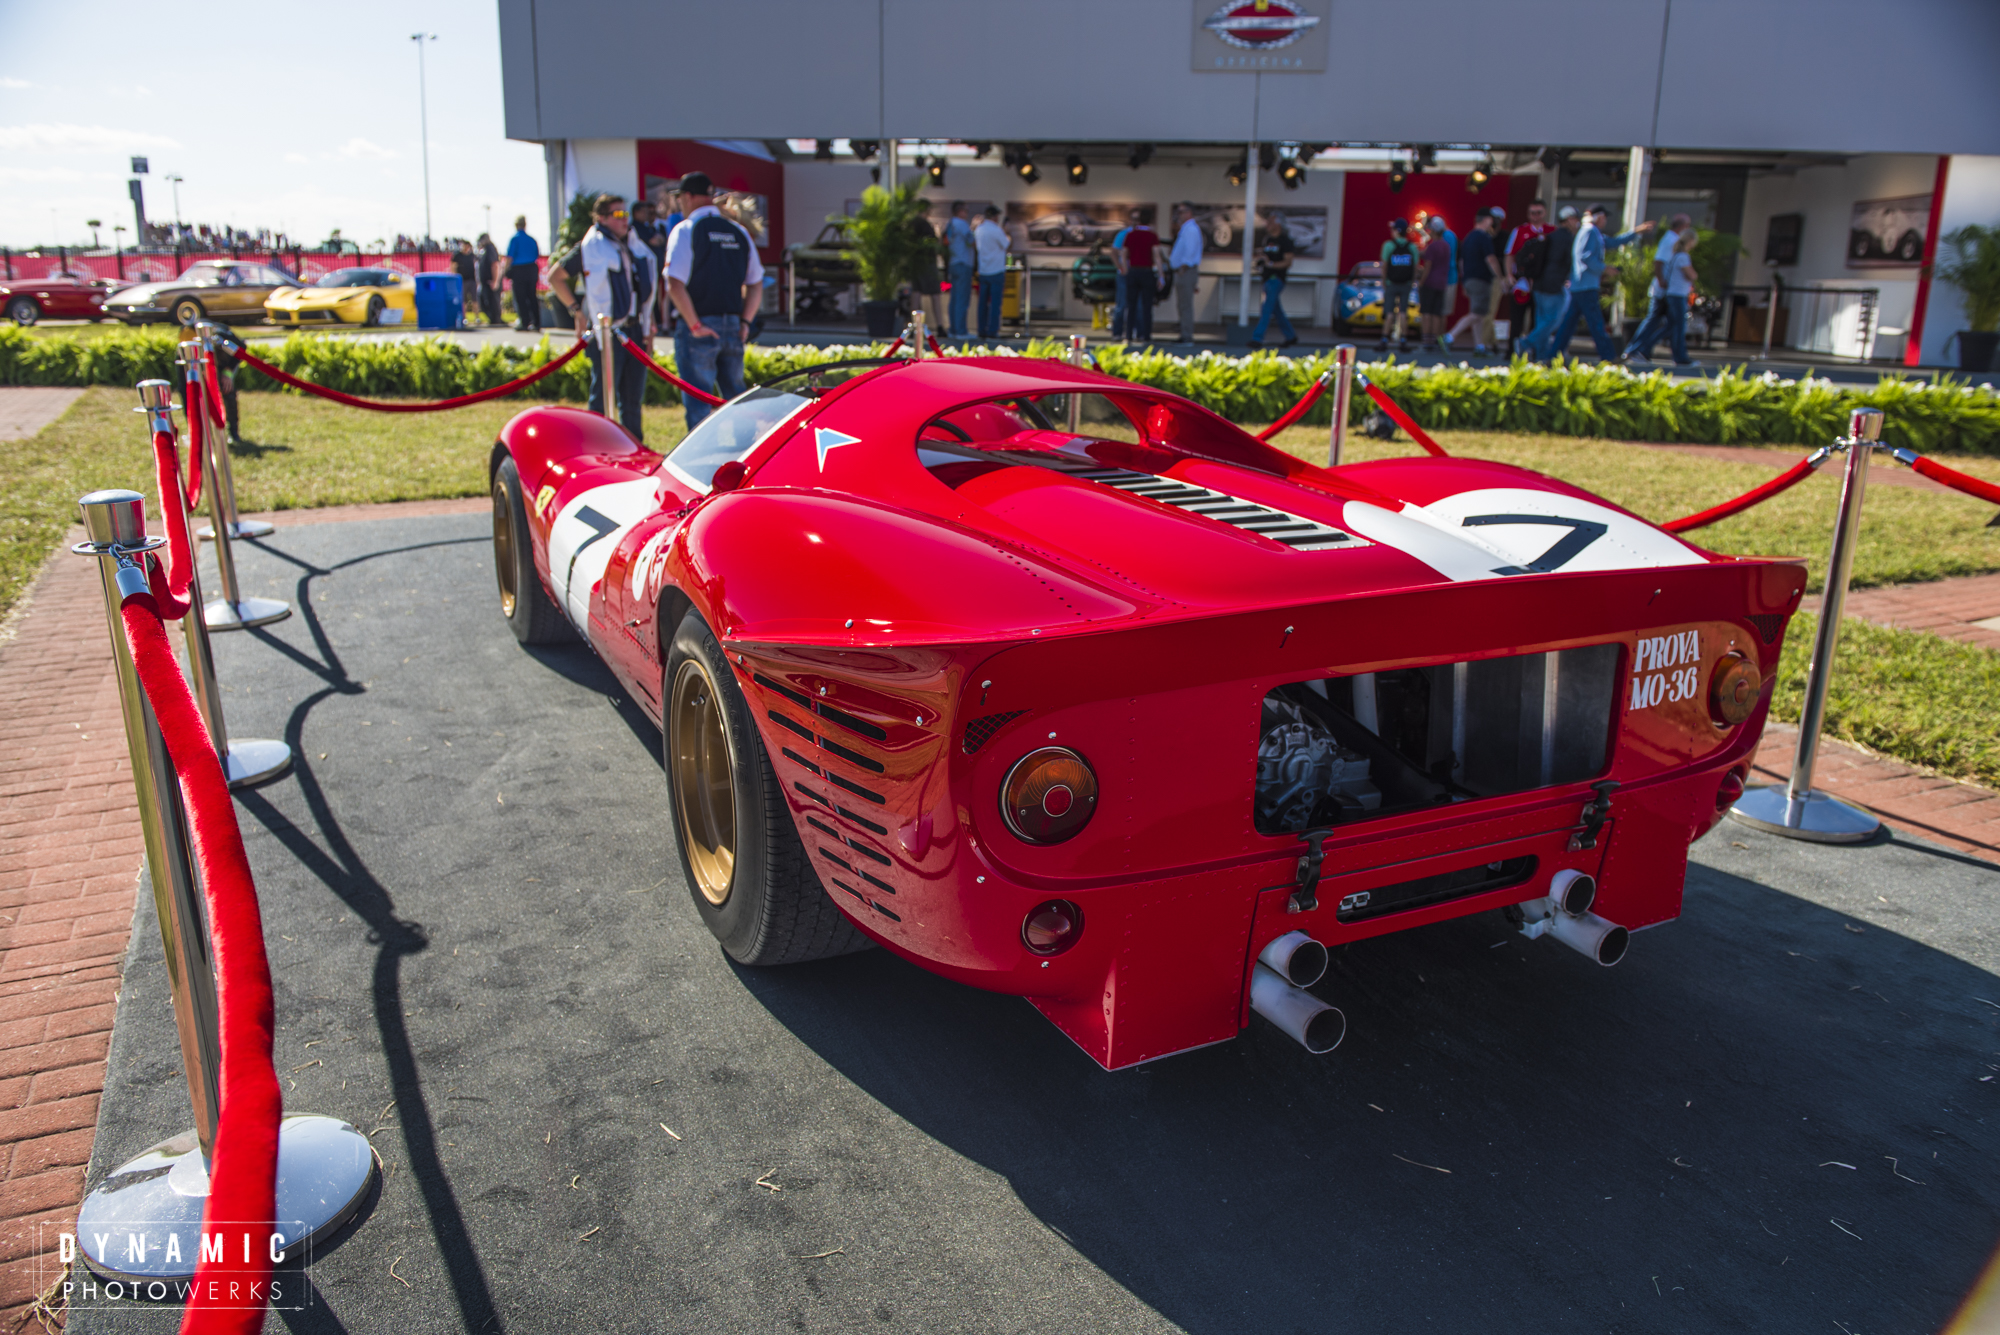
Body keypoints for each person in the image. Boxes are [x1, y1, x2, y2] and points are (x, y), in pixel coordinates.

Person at [664, 171, 763, 431]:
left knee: (699, 402)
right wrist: (744, 322)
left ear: (687, 197)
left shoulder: (686, 230)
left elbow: (674, 283)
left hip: (699, 328)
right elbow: (756, 283)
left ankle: (702, 460)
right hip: (732, 325)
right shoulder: (738, 231)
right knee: (737, 397)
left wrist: (695, 325)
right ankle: (746, 454)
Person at [552, 194, 654, 439]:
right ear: (602, 218)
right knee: (601, 397)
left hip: (634, 330)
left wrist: (649, 328)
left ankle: (633, 449)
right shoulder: (590, 247)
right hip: (607, 332)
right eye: (618, 214)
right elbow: (555, 276)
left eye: (625, 214)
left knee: (632, 400)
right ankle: (598, 446)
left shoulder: (633, 244)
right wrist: (577, 311)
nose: (624, 219)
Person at [1535, 205, 1653, 362]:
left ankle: (1552, 355)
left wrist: (1636, 232)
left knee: (1568, 326)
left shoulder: (1592, 232)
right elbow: (1586, 257)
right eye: (1604, 217)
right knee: (1596, 323)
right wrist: (1605, 269)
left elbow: (1613, 242)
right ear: (1598, 217)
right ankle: (1608, 356)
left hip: (1581, 285)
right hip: (1586, 286)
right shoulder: (1589, 231)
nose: (1605, 221)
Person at [1623, 214, 1696, 366]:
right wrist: (1662, 281)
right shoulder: (1669, 240)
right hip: (1663, 291)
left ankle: (1640, 350)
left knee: (1668, 324)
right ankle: (1636, 350)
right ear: (1682, 227)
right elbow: (1659, 262)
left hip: (1667, 290)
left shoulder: (1673, 241)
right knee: (1657, 321)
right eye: (1687, 226)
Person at [1520, 206, 1581, 358]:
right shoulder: (1568, 238)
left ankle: (1542, 356)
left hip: (1539, 284)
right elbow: (1569, 261)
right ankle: (1525, 343)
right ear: (1569, 220)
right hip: (1553, 286)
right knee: (1553, 321)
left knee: (1542, 321)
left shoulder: (1551, 236)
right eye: (1575, 219)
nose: (1577, 223)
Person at [1444, 209, 1501, 353]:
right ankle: (1450, 336)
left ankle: (1479, 346)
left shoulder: (1469, 237)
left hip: (1470, 279)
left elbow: (1462, 262)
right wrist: (1500, 277)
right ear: (1486, 220)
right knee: (1478, 313)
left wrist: (1464, 280)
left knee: (1477, 313)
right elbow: (1491, 259)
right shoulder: (1483, 237)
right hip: (1481, 279)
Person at [1503, 201, 1553, 351]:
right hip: (1522, 282)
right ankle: (1512, 350)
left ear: (1544, 213)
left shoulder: (1552, 231)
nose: (1536, 216)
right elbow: (1509, 254)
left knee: (1538, 319)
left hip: (1542, 283)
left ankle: (1536, 350)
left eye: (1539, 213)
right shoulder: (1519, 231)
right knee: (1517, 318)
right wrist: (1509, 275)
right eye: (1532, 213)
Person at [1249, 212, 1298, 349]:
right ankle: (1291, 336)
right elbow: (1265, 257)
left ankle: (1257, 338)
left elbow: (1288, 262)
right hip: (1266, 278)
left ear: (1278, 223)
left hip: (1276, 279)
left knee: (1266, 308)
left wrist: (1271, 264)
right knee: (1277, 311)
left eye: (1270, 222)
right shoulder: (1267, 240)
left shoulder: (1285, 241)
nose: (1267, 225)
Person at [1120, 209, 1161, 346]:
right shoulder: (1152, 236)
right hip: (1147, 271)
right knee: (1147, 305)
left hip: (1134, 271)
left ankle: (1129, 335)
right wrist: (1161, 275)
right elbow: (1157, 256)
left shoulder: (1131, 235)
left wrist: (1125, 269)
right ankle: (1146, 335)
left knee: (1131, 305)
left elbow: (1124, 253)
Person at [1379, 218, 1418, 351]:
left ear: (1396, 231)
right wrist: (1411, 281)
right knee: (1403, 312)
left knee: (1389, 312)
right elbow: (1415, 267)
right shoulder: (1412, 247)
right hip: (1406, 283)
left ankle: (1384, 339)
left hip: (1391, 283)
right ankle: (1403, 340)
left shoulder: (1388, 245)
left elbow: (1384, 265)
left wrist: (1384, 280)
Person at [1168, 202, 1203, 344]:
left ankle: (1187, 335)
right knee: (1182, 304)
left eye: (1182, 212)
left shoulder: (1191, 230)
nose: (1179, 215)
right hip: (1183, 271)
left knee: (1186, 305)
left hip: (1186, 271)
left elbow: (1190, 251)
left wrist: (1183, 267)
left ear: (1189, 213)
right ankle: (1184, 332)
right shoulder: (1186, 229)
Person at [909, 199, 944, 336]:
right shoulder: (925, 226)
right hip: (927, 263)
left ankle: (913, 326)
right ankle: (940, 326)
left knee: (916, 293)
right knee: (935, 294)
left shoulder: (912, 224)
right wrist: (938, 233)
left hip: (915, 262)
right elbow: (935, 245)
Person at [973, 205, 1009, 341]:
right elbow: (1006, 244)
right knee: (995, 303)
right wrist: (1008, 233)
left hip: (984, 271)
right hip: (996, 270)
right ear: (995, 217)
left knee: (982, 303)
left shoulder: (979, 230)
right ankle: (993, 330)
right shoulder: (997, 230)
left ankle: (981, 329)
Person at [1417, 218, 1453, 350]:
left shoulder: (1432, 247)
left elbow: (1427, 267)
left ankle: (1426, 340)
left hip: (1430, 282)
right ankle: (1436, 339)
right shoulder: (1446, 246)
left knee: (1426, 311)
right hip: (1442, 283)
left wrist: (1421, 282)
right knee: (1437, 313)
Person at [1424, 215, 1458, 349]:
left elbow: (1440, 259)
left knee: (1441, 311)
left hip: (1447, 279)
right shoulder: (1449, 237)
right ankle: (1438, 339)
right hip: (1444, 278)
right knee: (1440, 311)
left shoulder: (1446, 238)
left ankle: (1439, 339)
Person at [944, 200, 974, 339]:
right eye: (966, 211)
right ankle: (960, 331)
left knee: (955, 298)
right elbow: (972, 241)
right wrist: (974, 227)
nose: (967, 214)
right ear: (960, 211)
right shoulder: (962, 224)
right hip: (963, 264)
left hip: (953, 263)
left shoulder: (950, 224)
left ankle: (953, 329)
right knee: (962, 299)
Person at [506, 215, 542, 331]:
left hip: (519, 270)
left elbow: (510, 257)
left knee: (520, 297)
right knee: (532, 296)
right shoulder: (532, 240)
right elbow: (537, 255)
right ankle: (537, 322)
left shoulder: (515, 239)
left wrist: (506, 270)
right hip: (531, 269)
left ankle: (524, 322)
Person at [1109, 220, 1132, 339]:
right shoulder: (1123, 234)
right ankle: (1117, 332)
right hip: (1123, 273)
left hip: (1135, 273)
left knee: (1136, 305)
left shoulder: (1141, 234)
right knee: (1121, 304)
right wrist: (1120, 267)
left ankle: (1132, 332)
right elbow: (1113, 252)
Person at [476, 232, 503, 325]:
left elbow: (495, 265)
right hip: (484, 282)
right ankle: (493, 319)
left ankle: (496, 320)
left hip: (490, 281)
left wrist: (495, 281)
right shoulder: (483, 250)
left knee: (493, 303)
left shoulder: (490, 249)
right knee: (483, 301)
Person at [449, 240, 480, 324]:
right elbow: (453, 266)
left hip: (472, 281)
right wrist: (455, 277)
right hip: (462, 281)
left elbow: (477, 268)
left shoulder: (472, 256)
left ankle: (477, 317)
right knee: (463, 301)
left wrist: (477, 281)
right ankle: (464, 318)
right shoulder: (457, 256)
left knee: (475, 300)